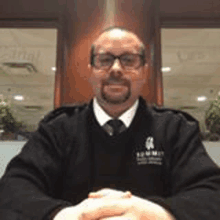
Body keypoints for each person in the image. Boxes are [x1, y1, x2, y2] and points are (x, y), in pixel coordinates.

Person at [0, 26, 220, 220]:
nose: (116, 69)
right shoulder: (57, 129)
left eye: (129, 60)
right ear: (91, 70)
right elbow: (13, 188)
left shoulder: (176, 129)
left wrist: (156, 214)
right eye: (105, 59)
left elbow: (212, 194)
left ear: (144, 71)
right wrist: (64, 216)